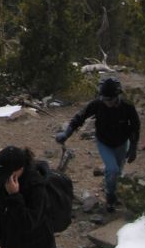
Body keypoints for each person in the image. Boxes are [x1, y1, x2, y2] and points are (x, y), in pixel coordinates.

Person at [55, 76, 140, 212]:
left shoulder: (127, 107)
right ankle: (110, 197)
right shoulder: (97, 104)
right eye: (105, 99)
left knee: (117, 173)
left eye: (110, 99)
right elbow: (79, 118)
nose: (107, 102)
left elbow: (135, 127)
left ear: (117, 96)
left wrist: (134, 147)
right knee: (112, 169)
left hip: (122, 143)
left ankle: (111, 190)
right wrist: (66, 134)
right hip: (104, 143)